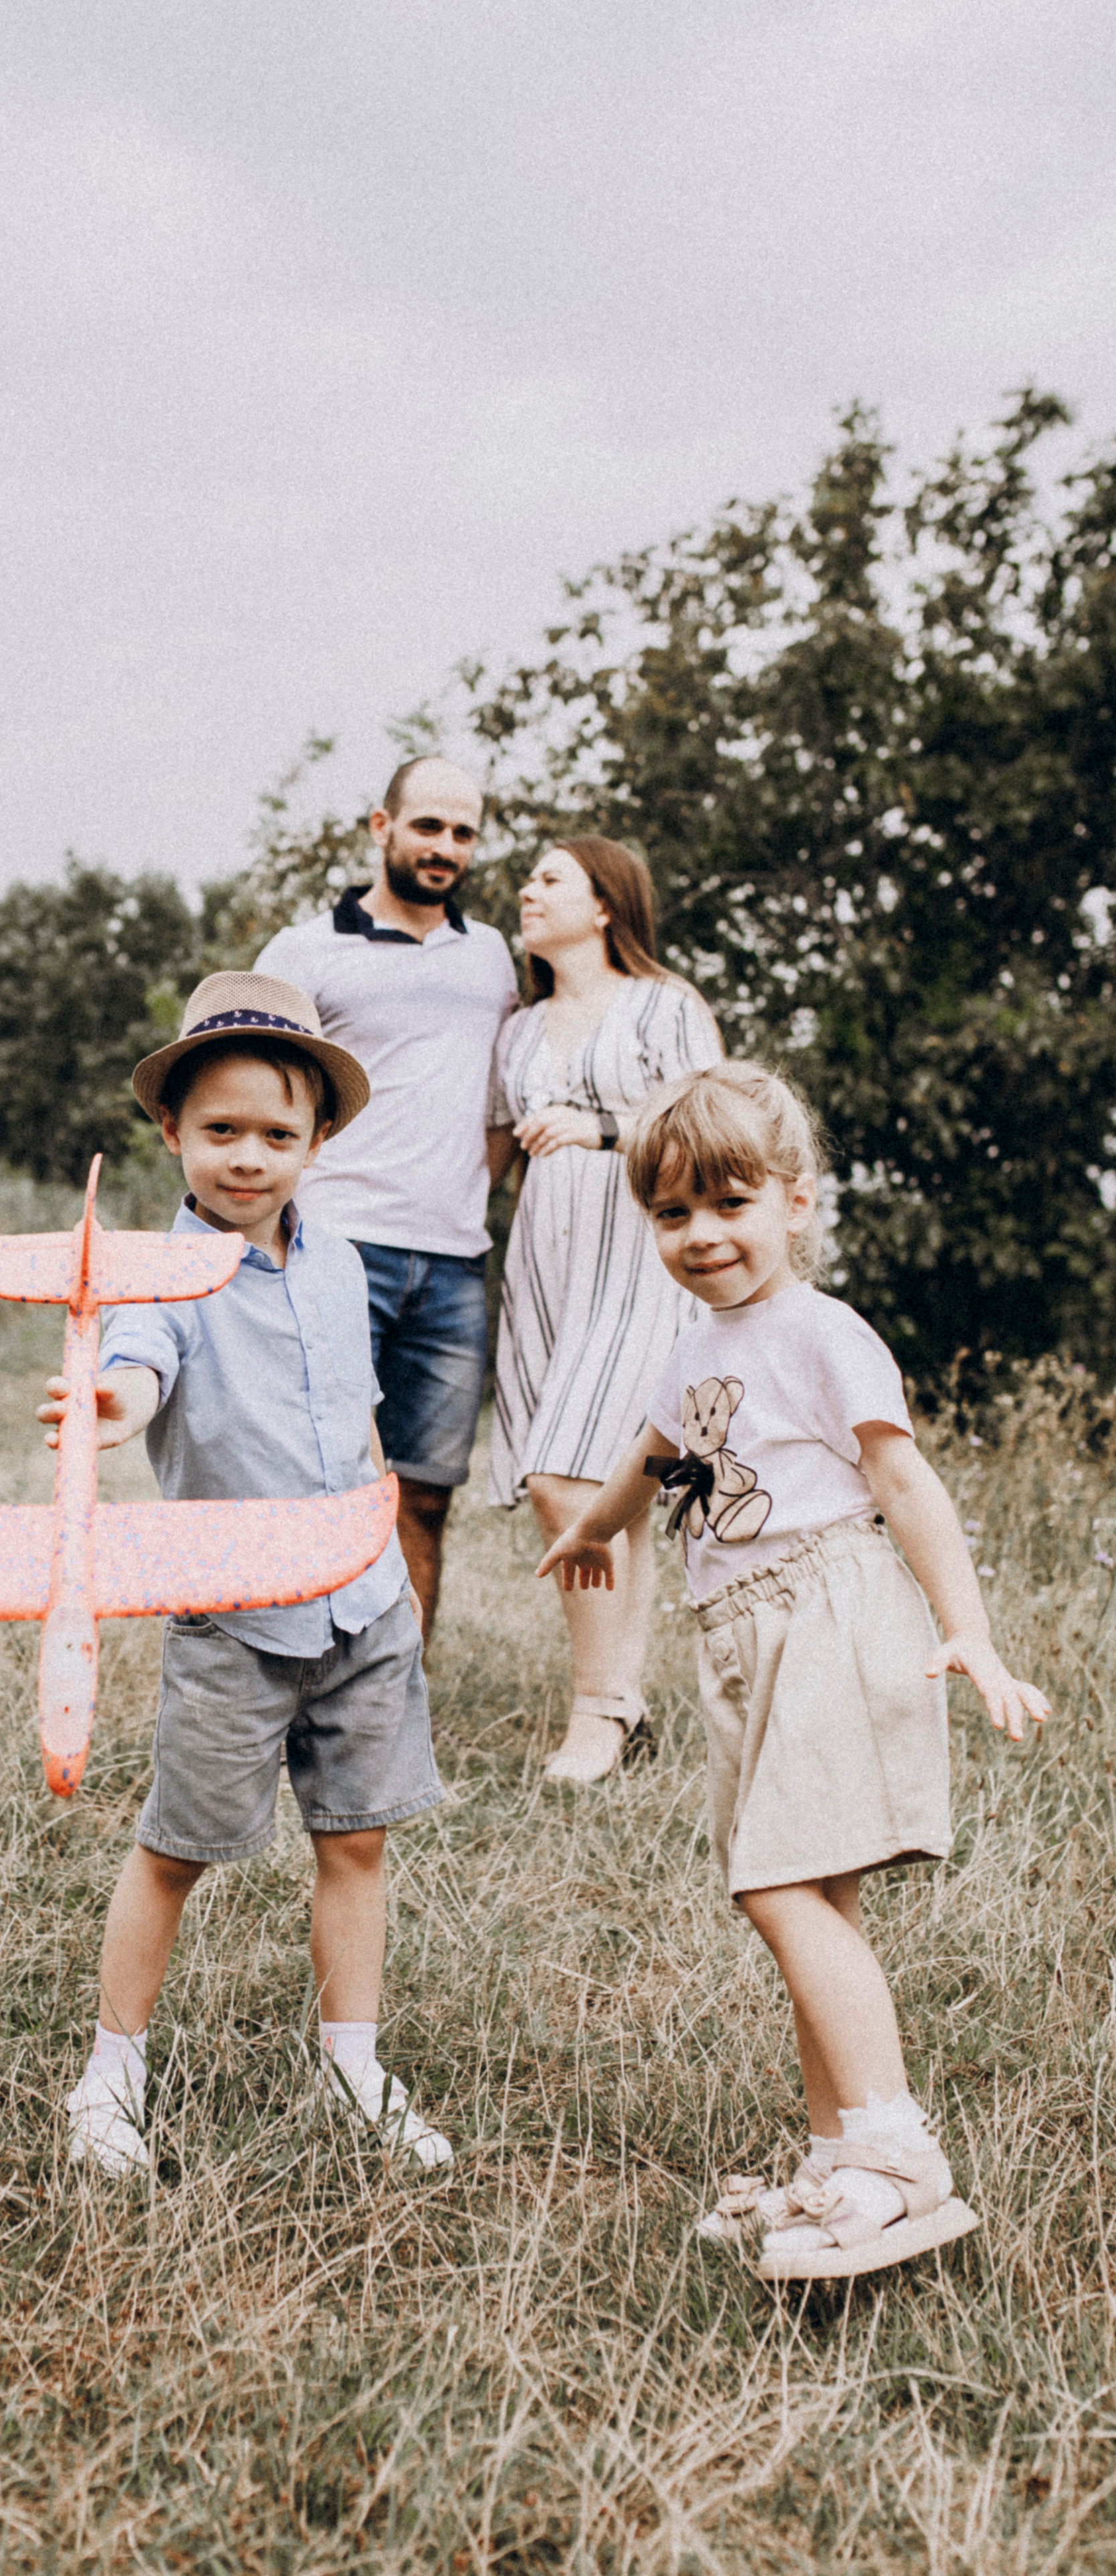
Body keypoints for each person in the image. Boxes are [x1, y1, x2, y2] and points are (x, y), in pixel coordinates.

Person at [538, 1061, 1049, 2282]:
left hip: (828, 1609)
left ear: (797, 1201)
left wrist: (968, 1628)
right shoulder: (697, 1341)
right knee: (815, 1895)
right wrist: (597, 1526)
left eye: (730, 1203)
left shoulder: (825, 1333)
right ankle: (836, 2162)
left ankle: (898, 2161)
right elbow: (659, 1453)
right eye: (672, 1214)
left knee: (775, 1888)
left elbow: (903, 1481)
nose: (703, 1235)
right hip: (740, 1634)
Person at [44, 971, 453, 2180]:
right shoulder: (160, 1275)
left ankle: (351, 2065)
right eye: (221, 1131)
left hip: (364, 1601)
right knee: (178, 1849)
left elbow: (362, 1419)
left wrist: (393, 1556)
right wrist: (109, 1407)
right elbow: (140, 1360)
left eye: (278, 1135)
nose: (248, 1159)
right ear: (171, 1132)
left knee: (358, 1841)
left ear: (319, 1140)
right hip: (234, 1615)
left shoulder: (337, 1261)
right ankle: (109, 2079)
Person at [254, 757, 517, 1644]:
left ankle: (397, 1692)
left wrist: (465, 1190)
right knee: (320, 1481)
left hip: (452, 1265)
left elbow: (499, 1104)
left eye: (464, 832)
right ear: (382, 827)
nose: (445, 847)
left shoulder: (489, 959)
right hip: (334, 1251)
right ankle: (293, 1676)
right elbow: (254, 1101)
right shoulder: (303, 951)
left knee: (427, 1493)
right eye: (428, 826)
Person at [485, 838, 721, 1782]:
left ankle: (597, 1713)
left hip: (642, 1262)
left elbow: (716, 1123)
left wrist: (604, 1129)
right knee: (608, 1486)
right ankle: (628, 1703)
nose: (526, 893)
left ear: (606, 906)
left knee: (563, 1478)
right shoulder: (518, 1029)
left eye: (550, 880)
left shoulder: (667, 1007)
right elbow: (494, 1155)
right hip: (544, 1267)